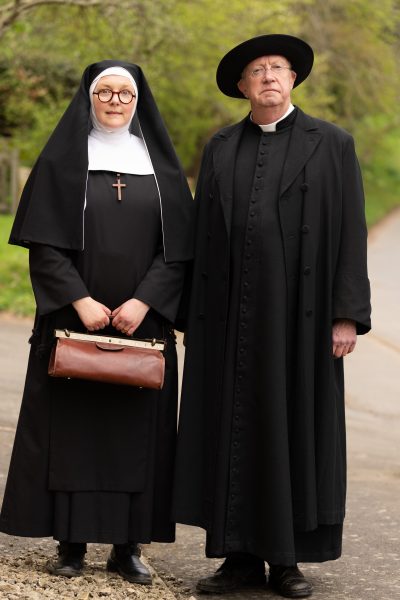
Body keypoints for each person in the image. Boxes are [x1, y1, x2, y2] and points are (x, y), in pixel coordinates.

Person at [173, 34, 371, 598]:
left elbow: (351, 234)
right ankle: (237, 559)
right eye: (256, 71)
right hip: (230, 319)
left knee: (294, 430)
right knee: (231, 430)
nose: (267, 77)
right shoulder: (221, 146)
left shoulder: (332, 144)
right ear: (242, 86)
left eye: (277, 68)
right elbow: (203, 237)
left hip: (302, 322)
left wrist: (347, 315)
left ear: (293, 79)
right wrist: (194, 316)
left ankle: (287, 562)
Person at [0, 60, 193, 585]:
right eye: (104, 91)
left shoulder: (163, 169)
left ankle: (127, 547)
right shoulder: (62, 163)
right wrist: (79, 299)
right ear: (88, 97)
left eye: (124, 93)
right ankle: (71, 543)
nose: (113, 100)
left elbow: (177, 250)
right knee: (74, 432)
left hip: (142, 324)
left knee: (136, 434)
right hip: (74, 320)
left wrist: (143, 302)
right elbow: (45, 245)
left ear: (138, 101)